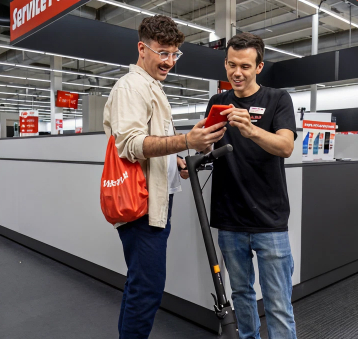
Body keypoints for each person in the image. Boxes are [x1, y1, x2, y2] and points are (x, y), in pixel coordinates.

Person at [103, 15, 226, 339]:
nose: (170, 61)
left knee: (142, 284)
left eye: (175, 54)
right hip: (141, 205)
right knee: (147, 289)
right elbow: (129, 145)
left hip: (155, 201)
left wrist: (177, 162)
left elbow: (153, 141)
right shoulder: (132, 87)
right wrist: (186, 141)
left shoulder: (151, 87)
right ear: (142, 49)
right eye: (163, 52)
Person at [206, 32, 298, 339]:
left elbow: (285, 146)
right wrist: (193, 159)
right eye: (232, 65)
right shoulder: (217, 102)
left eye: (245, 66)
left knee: (278, 305)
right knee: (242, 297)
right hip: (230, 219)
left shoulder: (277, 99)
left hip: (270, 221)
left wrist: (252, 131)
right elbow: (208, 149)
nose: (237, 72)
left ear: (259, 66)